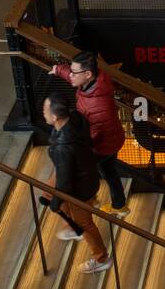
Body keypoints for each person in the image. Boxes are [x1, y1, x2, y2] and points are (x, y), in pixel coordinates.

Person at [50, 51, 130, 218]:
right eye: (70, 70)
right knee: (109, 172)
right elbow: (72, 76)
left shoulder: (98, 105)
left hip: (102, 146)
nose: (71, 75)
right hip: (112, 140)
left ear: (88, 74)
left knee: (85, 172)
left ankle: (89, 200)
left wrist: (76, 148)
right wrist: (58, 69)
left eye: (74, 72)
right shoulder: (94, 82)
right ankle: (119, 205)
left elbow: (92, 135)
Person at [42, 93, 113, 274]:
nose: (43, 113)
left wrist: (56, 204)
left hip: (80, 187)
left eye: (45, 110)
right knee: (47, 193)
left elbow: (65, 183)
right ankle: (73, 222)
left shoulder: (63, 147)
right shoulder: (76, 119)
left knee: (84, 224)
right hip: (86, 174)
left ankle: (101, 259)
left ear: (55, 117)